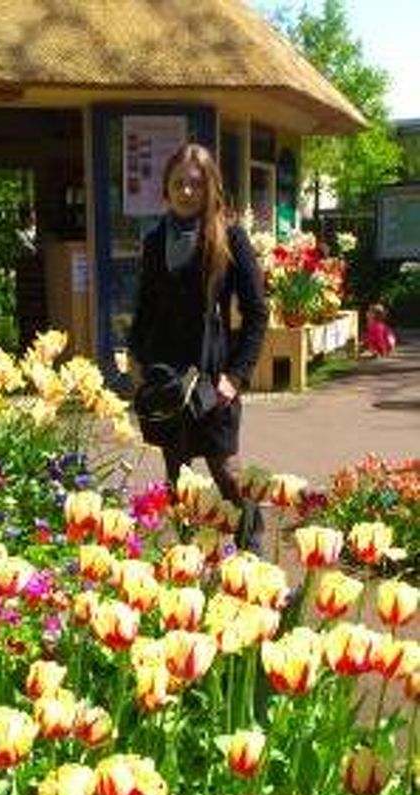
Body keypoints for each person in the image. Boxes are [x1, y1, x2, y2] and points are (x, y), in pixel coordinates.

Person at [128, 142, 268, 551]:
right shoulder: (156, 241)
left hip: (212, 376)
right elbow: (145, 306)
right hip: (167, 377)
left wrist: (235, 377)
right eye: (178, 184)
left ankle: (253, 557)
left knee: (228, 473)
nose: (187, 192)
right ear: (166, 189)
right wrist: (136, 358)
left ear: (211, 188)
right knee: (178, 479)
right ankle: (189, 563)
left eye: (195, 184)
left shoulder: (231, 237)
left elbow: (257, 312)